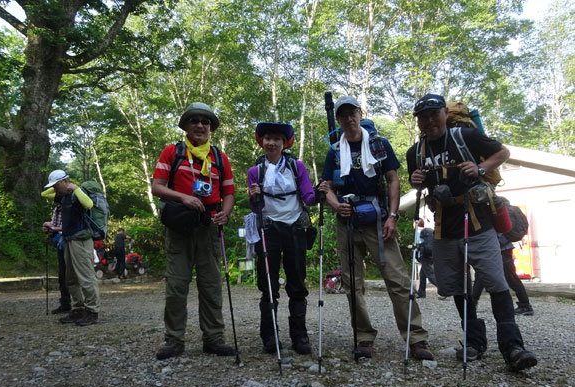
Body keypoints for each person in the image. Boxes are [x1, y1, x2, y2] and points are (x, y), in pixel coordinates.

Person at [406, 93, 537, 371]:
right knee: (457, 289)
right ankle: (475, 342)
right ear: (417, 121)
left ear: (444, 113)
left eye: (434, 114)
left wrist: (480, 167)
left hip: (477, 222)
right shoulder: (415, 153)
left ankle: (513, 347)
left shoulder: (465, 136)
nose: (429, 121)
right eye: (423, 117)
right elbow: (418, 182)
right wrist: (415, 179)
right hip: (443, 227)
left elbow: (503, 152)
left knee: (497, 284)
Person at [319, 96, 433, 360]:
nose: (348, 119)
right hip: (346, 223)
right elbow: (327, 187)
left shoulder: (379, 146)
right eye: (343, 115)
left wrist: (393, 216)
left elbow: (393, 180)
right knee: (352, 284)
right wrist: (336, 206)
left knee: (398, 280)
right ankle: (363, 337)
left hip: (378, 221)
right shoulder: (335, 151)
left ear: (360, 114)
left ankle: (416, 337)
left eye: (352, 113)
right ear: (338, 120)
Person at [152, 102, 235, 360]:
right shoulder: (172, 152)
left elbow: (229, 192)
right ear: (186, 125)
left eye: (205, 121)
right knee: (176, 285)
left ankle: (213, 338)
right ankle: (174, 340)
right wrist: (183, 198)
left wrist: (226, 212)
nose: (200, 125)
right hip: (180, 226)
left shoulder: (220, 158)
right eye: (194, 120)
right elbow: (157, 187)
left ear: (210, 128)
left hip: (209, 227)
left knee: (211, 285)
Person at [247, 122, 316, 355]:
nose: (272, 143)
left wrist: (322, 193)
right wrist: (252, 196)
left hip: (295, 228)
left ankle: (300, 336)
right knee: (268, 285)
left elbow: (308, 195)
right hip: (268, 231)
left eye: (277, 139)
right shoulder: (255, 171)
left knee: (297, 284)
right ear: (261, 141)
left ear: (285, 143)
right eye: (267, 138)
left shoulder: (296, 167)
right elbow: (254, 206)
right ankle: (270, 336)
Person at [44, 169, 100, 326]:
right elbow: (44, 194)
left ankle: (92, 311)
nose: (54, 190)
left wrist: (75, 187)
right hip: (69, 240)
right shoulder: (64, 196)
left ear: (63, 181)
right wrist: (60, 186)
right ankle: (77, 309)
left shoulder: (77, 193)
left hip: (81, 240)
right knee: (71, 278)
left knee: (86, 276)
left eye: (56, 186)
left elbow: (89, 204)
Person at [472, 233, 534, 315]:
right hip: (501, 246)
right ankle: (524, 304)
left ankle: (525, 305)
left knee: (509, 277)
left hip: (497, 247)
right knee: (510, 277)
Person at [41, 189, 72, 314]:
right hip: (60, 243)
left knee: (70, 274)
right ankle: (65, 303)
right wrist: (48, 226)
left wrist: (53, 227)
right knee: (62, 274)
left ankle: (75, 304)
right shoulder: (58, 209)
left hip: (69, 243)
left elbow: (70, 226)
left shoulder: (70, 206)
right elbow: (55, 224)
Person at [415, 219, 438, 300]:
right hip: (431, 254)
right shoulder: (428, 232)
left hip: (424, 256)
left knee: (430, 274)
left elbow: (417, 244)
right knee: (422, 275)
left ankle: (443, 289)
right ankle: (421, 293)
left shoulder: (418, 232)